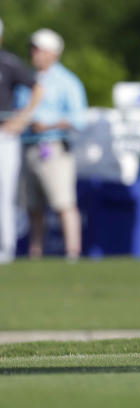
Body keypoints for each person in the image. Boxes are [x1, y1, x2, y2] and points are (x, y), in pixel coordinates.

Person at [18, 28, 87, 260]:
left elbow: (79, 119)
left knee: (63, 202)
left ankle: (72, 252)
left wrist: (48, 126)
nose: (33, 54)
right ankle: (35, 252)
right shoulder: (27, 78)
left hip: (54, 147)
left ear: (52, 53)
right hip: (27, 146)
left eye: (39, 50)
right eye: (33, 49)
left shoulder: (67, 82)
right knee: (33, 207)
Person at [0, 18, 44, 263]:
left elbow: (37, 88)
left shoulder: (8, 62)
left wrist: (21, 119)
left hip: (4, 136)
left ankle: (5, 249)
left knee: (4, 193)